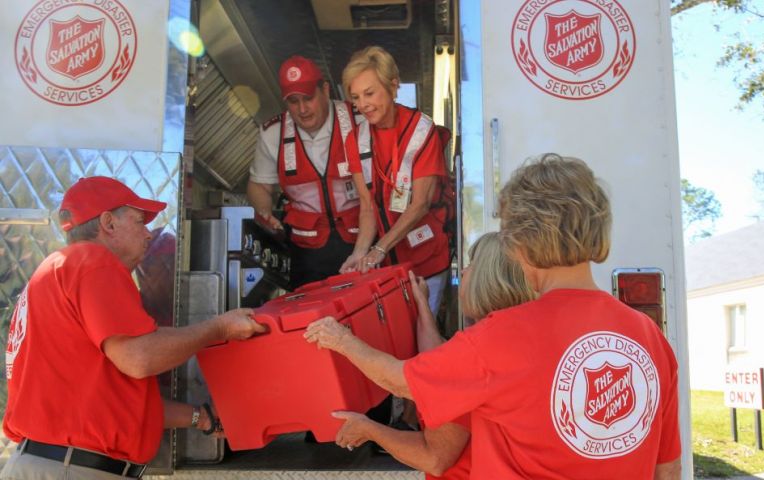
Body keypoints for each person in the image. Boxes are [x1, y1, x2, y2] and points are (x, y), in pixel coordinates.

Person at [305, 154, 682, 479]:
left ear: (520, 242)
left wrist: (341, 339)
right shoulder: (649, 336)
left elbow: (402, 382)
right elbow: (668, 469)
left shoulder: (504, 334)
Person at [1, 176, 265, 479]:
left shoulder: (56, 270)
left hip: (55, 463)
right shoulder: (93, 261)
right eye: (140, 221)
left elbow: (115, 401)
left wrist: (202, 418)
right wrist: (220, 328)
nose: (149, 234)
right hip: (74, 469)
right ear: (108, 223)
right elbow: (140, 359)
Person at [328, 232, 534, 479]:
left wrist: (341, 340)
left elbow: (434, 458)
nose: (463, 272)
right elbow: (440, 361)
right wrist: (422, 305)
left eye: (470, 266)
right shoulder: (512, 338)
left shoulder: (477, 350)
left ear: (486, 280)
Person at [339, 46, 452, 315]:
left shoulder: (422, 131)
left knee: (424, 338)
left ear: (393, 86)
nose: (362, 105)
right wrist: (359, 253)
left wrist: (379, 248)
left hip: (427, 260)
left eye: (369, 93)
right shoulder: (355, 140)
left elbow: (420, 204)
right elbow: (367, 207)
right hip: (389, 265)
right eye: (355, 97)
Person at [247, 55, 374, 289]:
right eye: (293, 101)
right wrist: (264, 212)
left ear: (325, 90)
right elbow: (259, 185)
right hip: (306, 253)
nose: (302, 109)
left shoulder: (360, 121)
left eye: (308, 98)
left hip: (361, 244)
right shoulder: (273, 133)